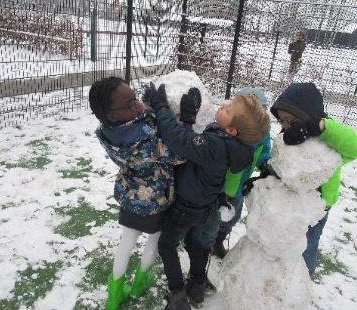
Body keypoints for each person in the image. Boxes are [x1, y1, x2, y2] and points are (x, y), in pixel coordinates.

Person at [143, 84, 270, 309]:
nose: (224, 105)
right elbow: (195, 146)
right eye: (228, 104)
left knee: (167, 245)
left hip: (185, 204)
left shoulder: (216, 145)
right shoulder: (235, 145)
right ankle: (198, 286)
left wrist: (161, 107)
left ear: (232, 130)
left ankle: (178, 294)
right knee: (194, 243)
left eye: (229, 110)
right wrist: (189, 118)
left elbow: (179, 140)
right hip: (205, 203)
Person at [88, 77, 201, 310]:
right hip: (155, 200)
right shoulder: (145, 136)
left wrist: (146, 109)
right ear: (113, 115)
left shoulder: (108, 132)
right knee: (153, 241)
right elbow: (179, 154)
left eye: (135, 97)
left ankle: (115, 292)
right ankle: (140, 282)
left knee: (127, 241)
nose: (138, 105)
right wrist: (185, 122)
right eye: (130, 104)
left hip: (130, 195)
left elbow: (137, 119)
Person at [270, 82, 357, 276]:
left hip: (317, 208)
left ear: (308, 116)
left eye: (290, 121)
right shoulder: (288, 136)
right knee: (284, 241)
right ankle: (281, 276)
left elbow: (355, 148)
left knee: (307, 245)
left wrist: (320, 127)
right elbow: (280, 165)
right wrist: (267, 175)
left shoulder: (329, 138)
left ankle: (304, 276)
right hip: (291, 203)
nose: (285, 126)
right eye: (282, 122)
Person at [209, 87, 272, 259]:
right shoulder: (227, 127)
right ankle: (205, 241)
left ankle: (217, 241)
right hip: (217, 184)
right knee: (212, 216)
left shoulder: (262, 134)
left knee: (232, 217)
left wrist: (264, 162)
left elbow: (264, 150)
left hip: (238, 186)